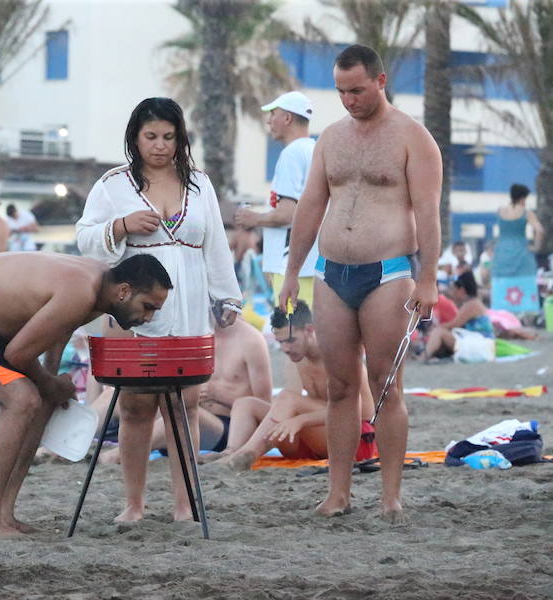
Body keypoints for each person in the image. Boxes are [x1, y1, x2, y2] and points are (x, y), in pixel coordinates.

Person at [278, 44, 441, 522]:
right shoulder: (331, 138)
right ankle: (338, 492)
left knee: (386, 386)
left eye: (357, 90)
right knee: (340, 386)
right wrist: (292, 272)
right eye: (341, 92)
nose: (348, 100)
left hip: (387, 272)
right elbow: (309, 205)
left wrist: (427, 278)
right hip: (331, 272)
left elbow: (429, 215)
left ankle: (390, 495)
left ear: (380, 81)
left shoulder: (414, 138)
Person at [0, 252, 172, 536]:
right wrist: (50, 384)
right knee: (22, 399)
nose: (148, 318)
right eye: (147, 307)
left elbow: (58, 331)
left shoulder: (101, 288)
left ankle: (5, 514)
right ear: (124, 291)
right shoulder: (82, 290)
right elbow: (17, 354)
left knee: (39, 401)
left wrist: (51, 387)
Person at [76, 97, 242, 523]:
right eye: (151, 136)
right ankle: (133, 504)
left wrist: (227, 298)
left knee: (185, 406)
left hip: (189, 305)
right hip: (135, 308)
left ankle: (184, 505)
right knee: (134, 406)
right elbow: (85, 238)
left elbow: (216, 245)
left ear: (180, 138)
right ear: (135, 137)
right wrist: (122, 225)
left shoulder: (200, 183)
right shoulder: (113, 184)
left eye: (169, 136)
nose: (160, 145)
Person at [214, 302, 376, 471]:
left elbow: (351, 411)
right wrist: (292, 418)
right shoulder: (296, 358)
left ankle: (246, 455)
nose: (285, 348)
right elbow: (287, 404)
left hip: (356, 439)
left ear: (309, 330)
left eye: (291, 340)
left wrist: (300, 420)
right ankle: (230, 452)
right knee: (246, 404)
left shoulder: (338, 355)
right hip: (316, 438)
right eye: (280, 342)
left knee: (287, 398)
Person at [95, 317, 272, 462]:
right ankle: (74, 438)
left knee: (182, 414)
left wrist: (219, 394)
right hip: (187, 409)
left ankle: (119, 455)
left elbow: (263, 407)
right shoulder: (192, 332)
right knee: (117, 395)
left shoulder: (251, 341)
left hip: (224, 425)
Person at [235, 91, 320, 306]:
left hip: (290, 267)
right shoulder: (315, 150)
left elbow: (288, 214)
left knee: (291, 335)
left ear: (288, 118)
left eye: (273, 114)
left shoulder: (291, 154)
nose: (269, 120)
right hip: (315, 264)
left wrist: (254, 218)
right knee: (310, 335)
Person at [491, 183, 545, 313]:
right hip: (521, 251)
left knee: (501, 283)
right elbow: (540, 230)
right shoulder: (526, 213)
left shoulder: (500, 211)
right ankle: (525, 313)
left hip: (502, 251)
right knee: (525, 281)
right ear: (522, 198)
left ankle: (502, 313)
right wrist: (536, 247)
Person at [422, 271, 493, 362]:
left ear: (462, 290)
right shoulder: (472, 303)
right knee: (439, 333)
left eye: (454, 289)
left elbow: (454, 324)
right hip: (478, 343)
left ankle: (424, 356)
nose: (453, 293)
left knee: (439, 332)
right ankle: (428, 355)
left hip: (481, 345)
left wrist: (436, 329)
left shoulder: (472, 305)